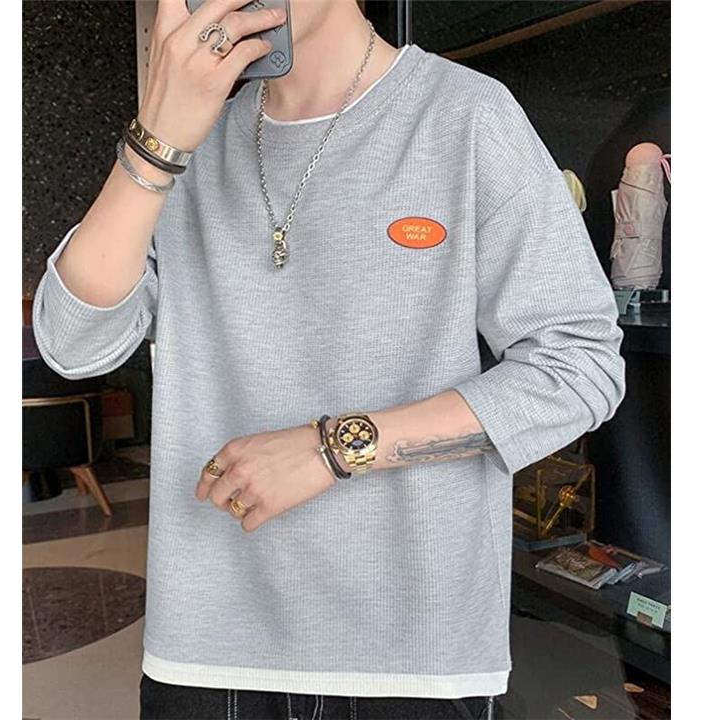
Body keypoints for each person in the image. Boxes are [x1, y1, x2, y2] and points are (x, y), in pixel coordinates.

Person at [31, 0, 626, 718]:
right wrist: (155, 142)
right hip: (207, 647)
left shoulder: (465, 116)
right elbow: (73, 344)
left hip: (412, 658)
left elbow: (579, 366)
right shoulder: (183, 144)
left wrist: (335, 447)